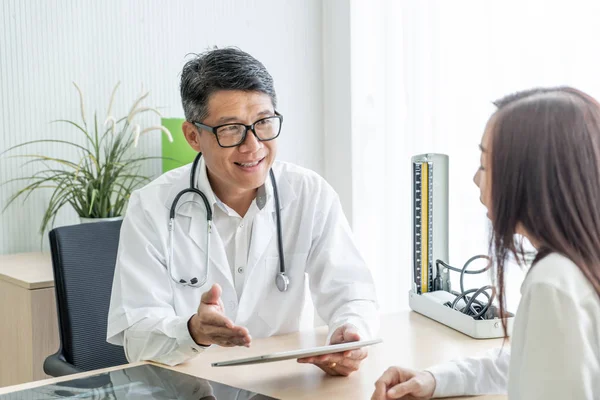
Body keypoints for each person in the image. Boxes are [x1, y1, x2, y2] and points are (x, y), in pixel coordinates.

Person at [107, 47, 379, 376]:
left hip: (282, 383)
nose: (253, 146)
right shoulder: (151, 207)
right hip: (192, 385)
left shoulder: (310, 193)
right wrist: (193, 331)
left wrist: (350, 337)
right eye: (231, 129)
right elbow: (137, 338)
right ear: (193, 135)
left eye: (263, 122)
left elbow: (352, 292)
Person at [372, 87, 600, 399]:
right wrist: (434, 379)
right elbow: (529, 363)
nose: (475, 178)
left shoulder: (553, 284)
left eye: (484, 163)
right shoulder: (580, 262)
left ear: (528, 176)